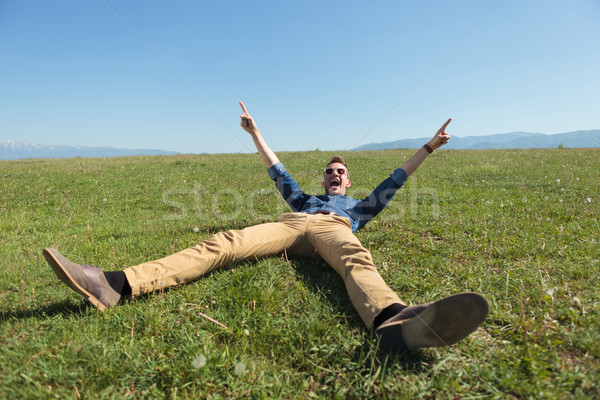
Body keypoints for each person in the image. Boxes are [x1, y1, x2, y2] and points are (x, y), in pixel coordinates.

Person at [43, 102, 489, 352]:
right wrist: (254, 131)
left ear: (348, 181)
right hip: (296, 225)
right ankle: (114, 285)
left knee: (356, 258)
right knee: (226, 241)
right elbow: (278, 171)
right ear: (323, 178)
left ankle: (396, 321)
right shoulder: (304, 197)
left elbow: (398, 176)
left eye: (340, 172)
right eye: (330, 171)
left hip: (337, 230)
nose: (335, 174)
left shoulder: (359, 206)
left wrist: (431, 146)